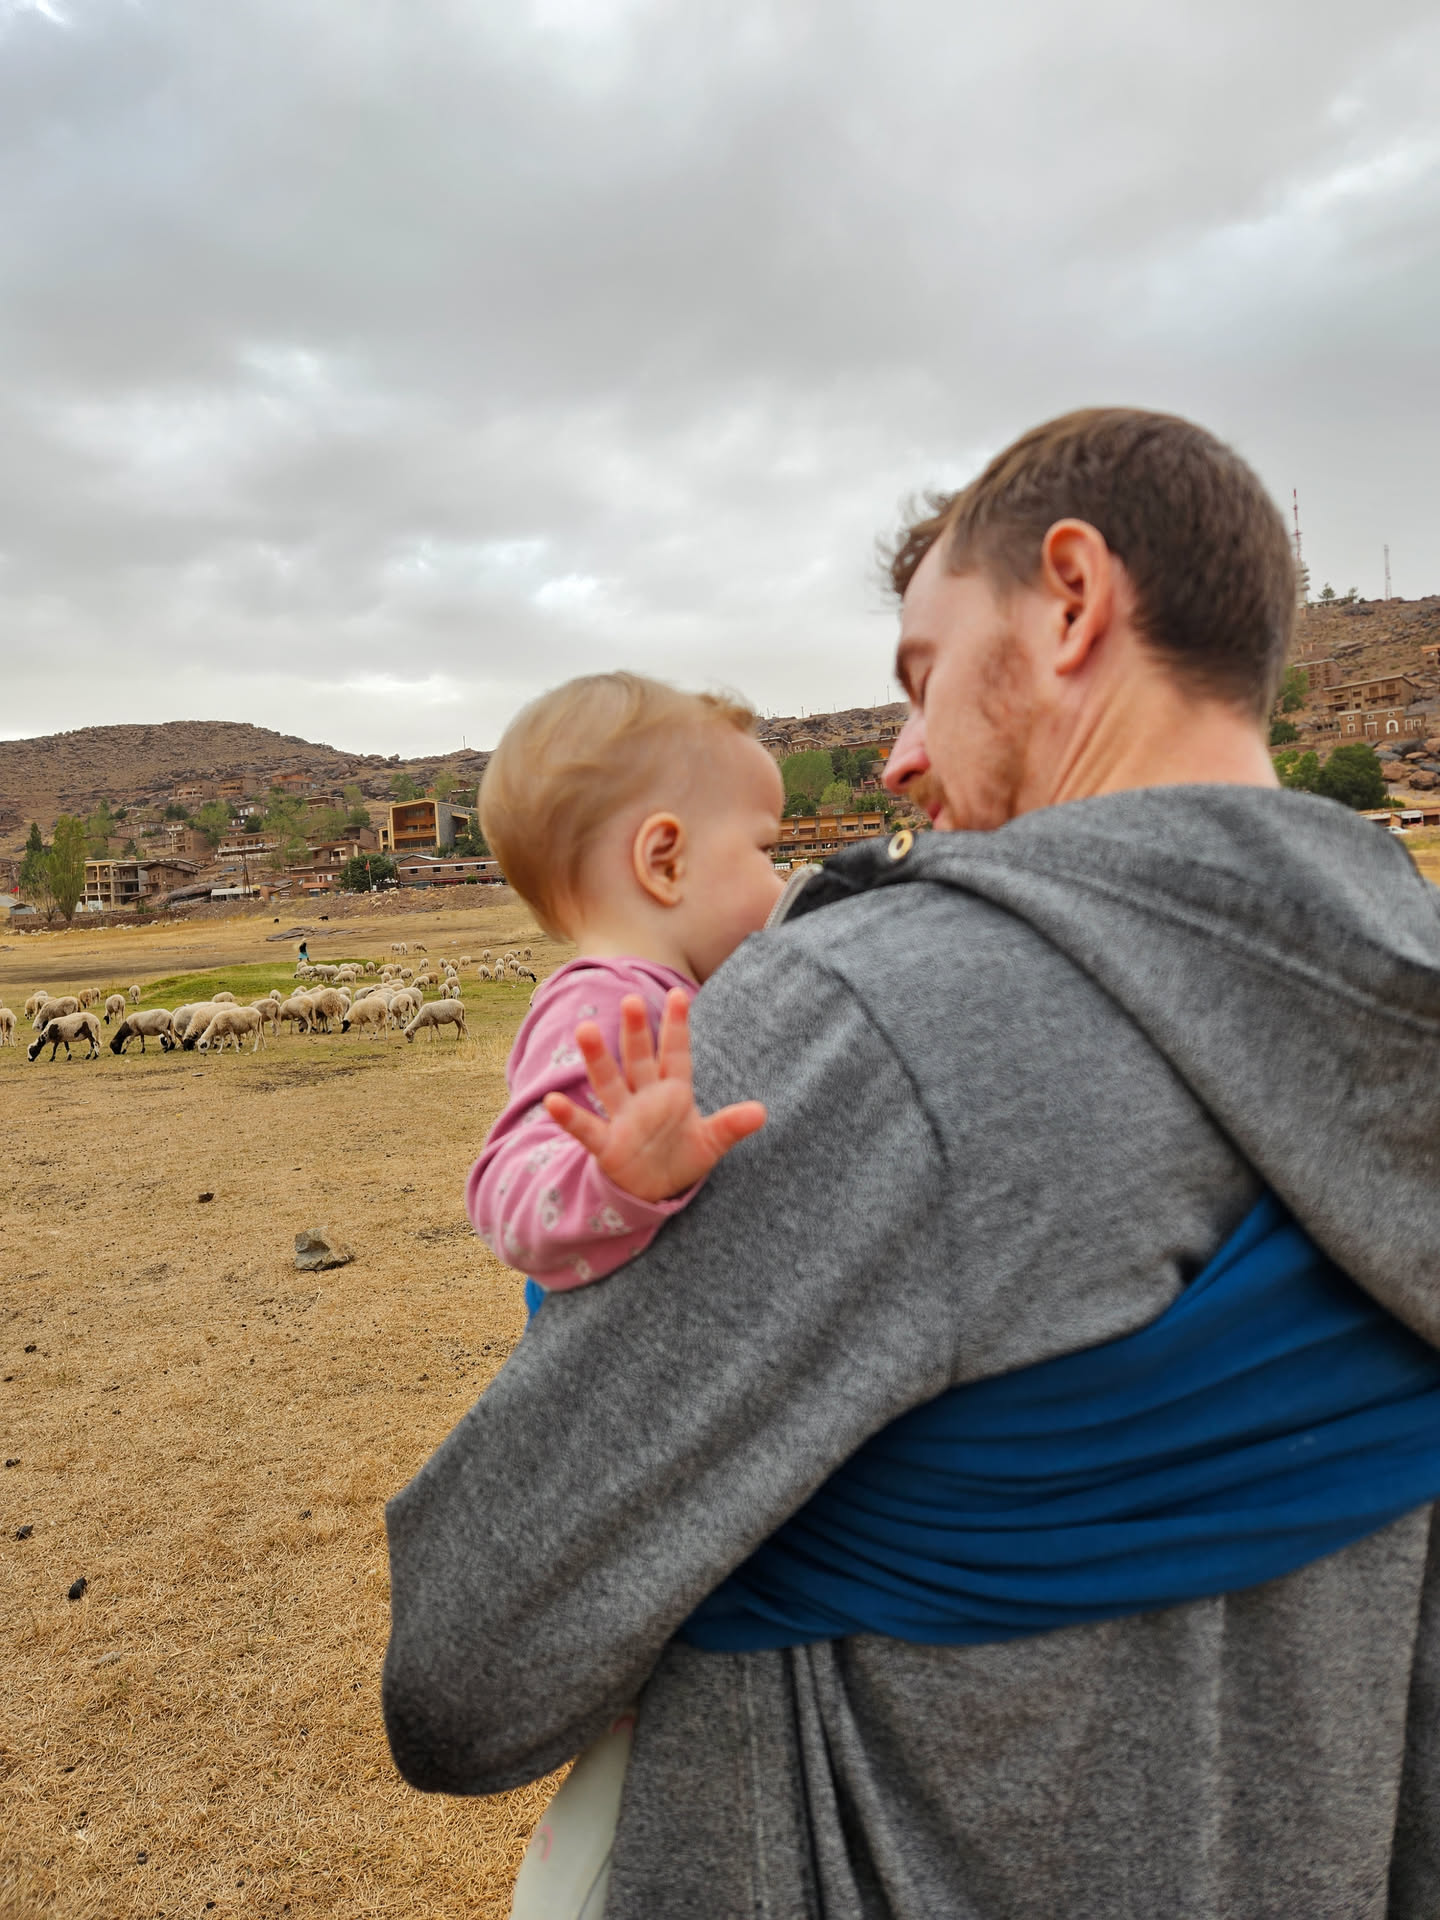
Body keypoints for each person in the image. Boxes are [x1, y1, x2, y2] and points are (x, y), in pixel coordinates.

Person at [383, 409, 1440, 1918]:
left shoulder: (875, 1017)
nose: (896, 760)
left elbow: (467, 1669)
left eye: (925, 676)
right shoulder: (1408, 993)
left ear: (1070, 599)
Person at [465, 672, 787, 1300]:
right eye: (767, 850)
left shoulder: (674, 996)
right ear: (665, 861)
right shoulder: (608, 1006)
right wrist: (617, 1179)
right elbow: (505, 1200)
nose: (782, 885)